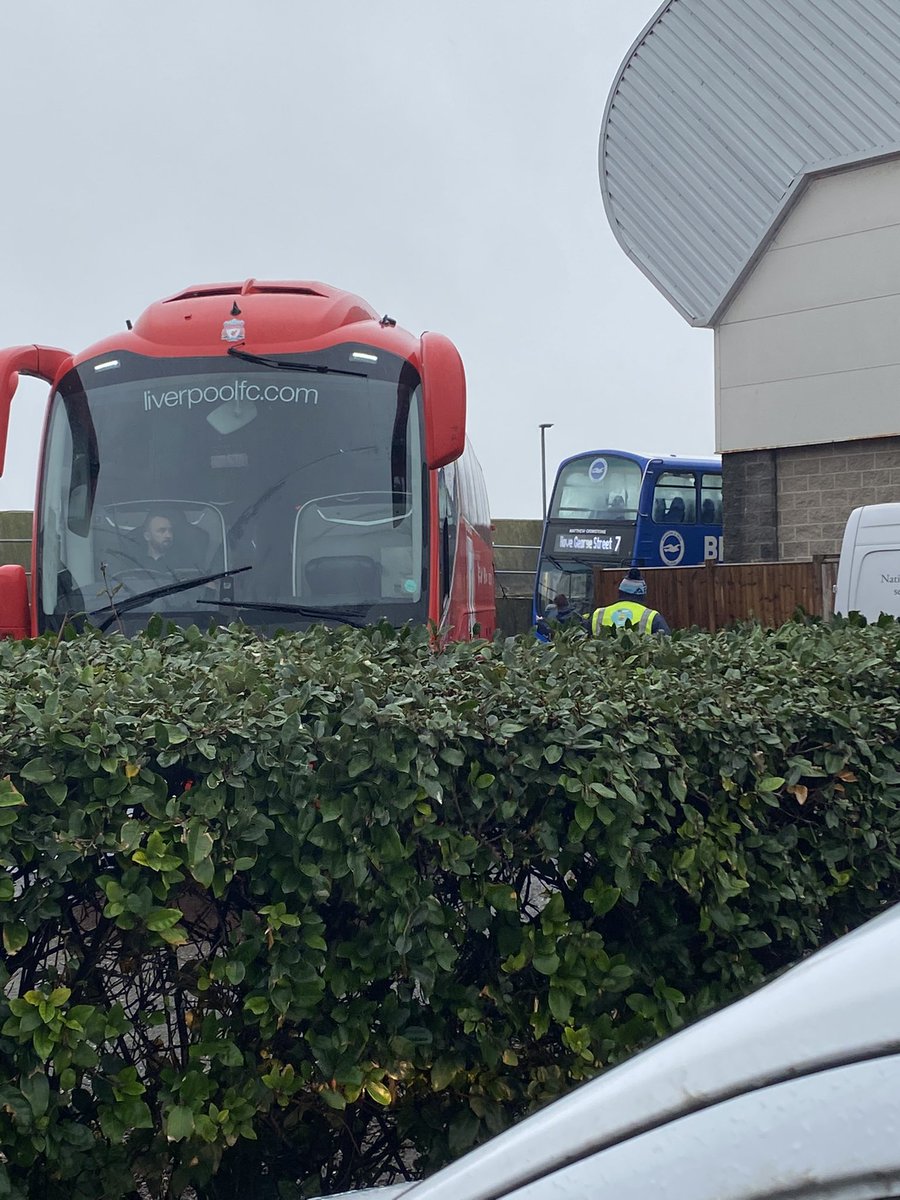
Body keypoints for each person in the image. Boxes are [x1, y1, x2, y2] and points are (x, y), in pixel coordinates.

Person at [590, 568, 671, 635]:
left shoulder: (599, 614)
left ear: (620, 592)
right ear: (643, 595)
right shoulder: (652, 617)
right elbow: (666, 642)